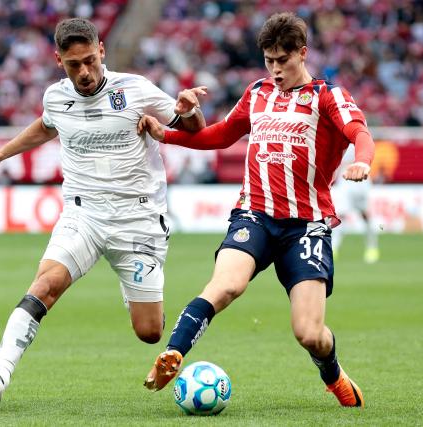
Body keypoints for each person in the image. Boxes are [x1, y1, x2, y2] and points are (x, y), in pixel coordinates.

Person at [0, 18, 206, 410]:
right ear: (59, 60)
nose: (85, 72)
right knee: (44, 287)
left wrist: (189, 112)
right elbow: (45, 127)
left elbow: (196, 131)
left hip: (137, 220)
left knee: (149, 332)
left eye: (90, 60)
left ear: (102, 51)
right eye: (74, 64)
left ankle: (134, 288)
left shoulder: (136, 89)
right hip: (83, 216)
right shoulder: (56, 98)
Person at [138, 12, 374, 407]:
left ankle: (333, 374)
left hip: (307, 226)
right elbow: (222, 134)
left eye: (284, 60)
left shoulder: (327, 96)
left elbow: (359, 133)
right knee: (226, 285)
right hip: (255, 214)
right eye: (269, 61)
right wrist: (169, 135)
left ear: (303, 53)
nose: (276, 70)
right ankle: (173, 354)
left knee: (309, 334)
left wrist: (363, 160)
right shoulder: (258, 93)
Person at [331, 144, 380, 263]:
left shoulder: (357, 134)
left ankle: (372, 248)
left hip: (361, 180)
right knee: (340, 216)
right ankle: (333, 249)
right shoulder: (339, 134)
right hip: (345, 182)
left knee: (365, 215)